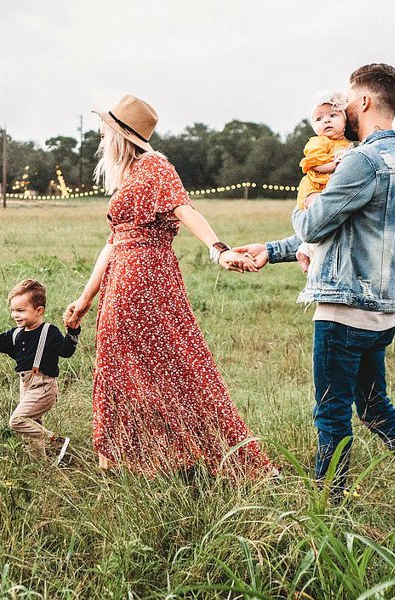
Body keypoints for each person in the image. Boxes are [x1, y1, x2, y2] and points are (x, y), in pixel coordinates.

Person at [235, 64, 395, 516]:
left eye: (349, 101)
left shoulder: (361, 160)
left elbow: (315, 222)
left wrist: (308, 202)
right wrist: (273, 250)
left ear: (366, 102)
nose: (343, 109)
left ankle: (327, 511)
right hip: (382, 313)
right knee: (376, 407)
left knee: (331, 413)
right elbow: (342, 231)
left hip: (344, 310)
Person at [63, 94, 273, 478]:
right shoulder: (128, 175)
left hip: (145, 277)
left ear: (120, 135)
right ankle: (125, 457)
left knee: (173, 364)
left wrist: (218, 250)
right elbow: (112, 243)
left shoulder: (155, 167)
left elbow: (185, 209)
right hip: (122, 276)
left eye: (105, 130)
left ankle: (198, 454)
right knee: (124, 365)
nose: (99, 137)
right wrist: (85, 298)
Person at [0, 279, 79, 465]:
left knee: (17, 421)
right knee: (32, 430)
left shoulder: (49, 331)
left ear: (39, 311)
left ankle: (56, 442)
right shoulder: (15, 334)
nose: (15, 315)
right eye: (13, 310)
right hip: (26, 385)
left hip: (44, 386)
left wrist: (73, 331)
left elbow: (66, 351)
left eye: (21, 310)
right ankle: (42, 468)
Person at [294, 90, 355, 273]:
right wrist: (333, 165)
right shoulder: (318, 142)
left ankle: (306, 249)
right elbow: (313, 164)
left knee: (330, 219)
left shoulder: (347, 144)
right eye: (319, 119)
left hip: (327, 189)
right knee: (318, 213)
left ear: (345, 121)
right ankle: (307, 249)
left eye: (333, 115)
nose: (326, 121)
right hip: (313, 187)